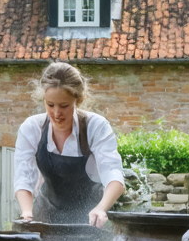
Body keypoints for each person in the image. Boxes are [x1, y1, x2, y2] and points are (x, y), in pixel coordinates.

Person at [14, 62, 125, 227]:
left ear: (78, 100)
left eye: (64, 106)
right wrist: (27, 214)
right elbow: (23, 177)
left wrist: (101, 208)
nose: (56, 113)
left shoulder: (96, 126)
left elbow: (113, 174)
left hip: (91, 220)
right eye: (50, 105)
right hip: (46, 218)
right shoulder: (32, 128)